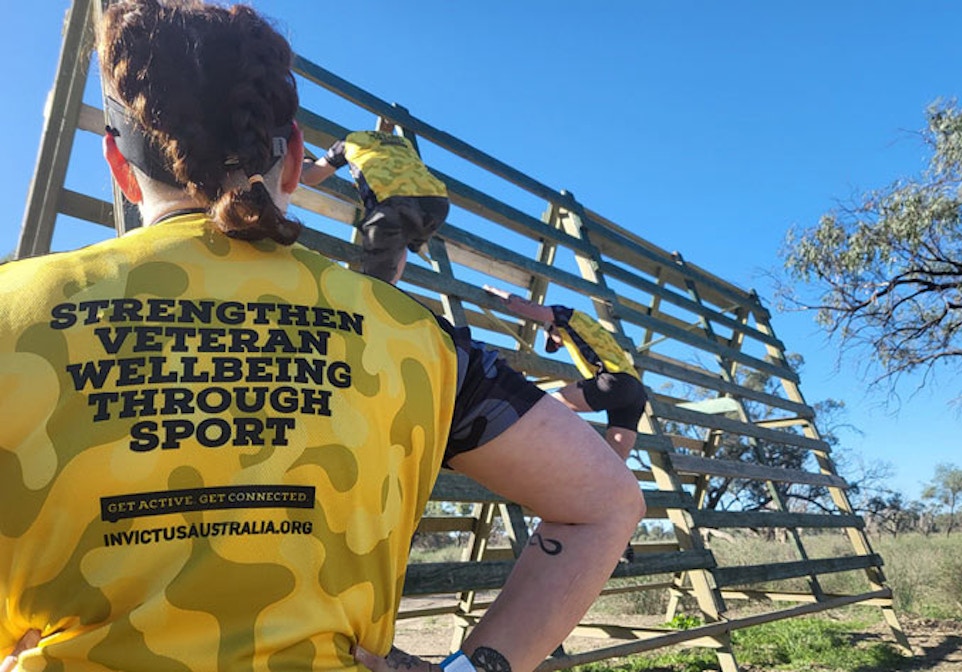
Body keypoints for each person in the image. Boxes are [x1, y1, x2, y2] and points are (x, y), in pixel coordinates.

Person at [0, 2, 644, 671]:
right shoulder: (416, 339)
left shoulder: (11, 311)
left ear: (116, 160)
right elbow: (605, 503)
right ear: (293, 155)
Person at [483, 287, 649, 462]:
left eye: (552, 341)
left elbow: (528, 307)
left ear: (552, 326)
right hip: (636, 393)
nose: (557, 346)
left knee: (546, 405)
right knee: (616, 461)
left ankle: (538, 451)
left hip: (614, 382)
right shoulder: (592, 329)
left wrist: (496, 291)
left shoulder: (567, 316)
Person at [299, 121, 449, 284]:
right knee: (398, 242)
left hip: (393, 203)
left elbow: (310, 177)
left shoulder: (348, 142)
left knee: (375, 282)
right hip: (437, 201)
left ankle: (376, 297)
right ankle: (388, 292)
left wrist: (305, 161)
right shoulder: (403, 143)